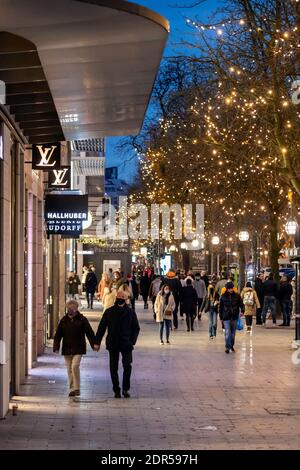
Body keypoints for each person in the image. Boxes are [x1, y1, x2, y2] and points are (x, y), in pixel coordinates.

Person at [94, 291, 140, 398]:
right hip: (113, 342)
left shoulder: (130, 312)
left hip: (126, 343)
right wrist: (97, 342)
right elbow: (102, 327)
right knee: (113, 367)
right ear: (116, 298)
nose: (121, 299)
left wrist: (132, 341)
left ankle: (125, 389)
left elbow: (136, 328)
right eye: (119, 297)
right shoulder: (109, 312)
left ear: (126, 299)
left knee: (127, 366)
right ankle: (116, 389)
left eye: (123, 298)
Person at [53, 300, 95, 397]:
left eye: (71, 308)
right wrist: (56, 346)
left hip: (78, 347)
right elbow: (58, 335)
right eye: (68, 308)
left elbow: (89, 332)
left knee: (74, 366)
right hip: (67, 348)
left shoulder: (82, 319)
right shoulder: (63, 320)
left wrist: (94, 344)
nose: (69, 310)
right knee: (69, 369)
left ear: (76, 309)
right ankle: (72, 389)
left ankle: (77, 388)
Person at [219, 282, 245, 354]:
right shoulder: (223, 296)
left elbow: (241, 304)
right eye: (229, 288)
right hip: (226, 317)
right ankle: (227, 347)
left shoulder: (237, 296)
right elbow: (220, 308)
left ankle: (231, 346)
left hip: (234, 317)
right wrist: (221, 317)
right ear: (227, 289)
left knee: (233, 334)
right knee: (227, 333)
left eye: (231, 288)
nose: (230, 289)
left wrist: (242, 311)